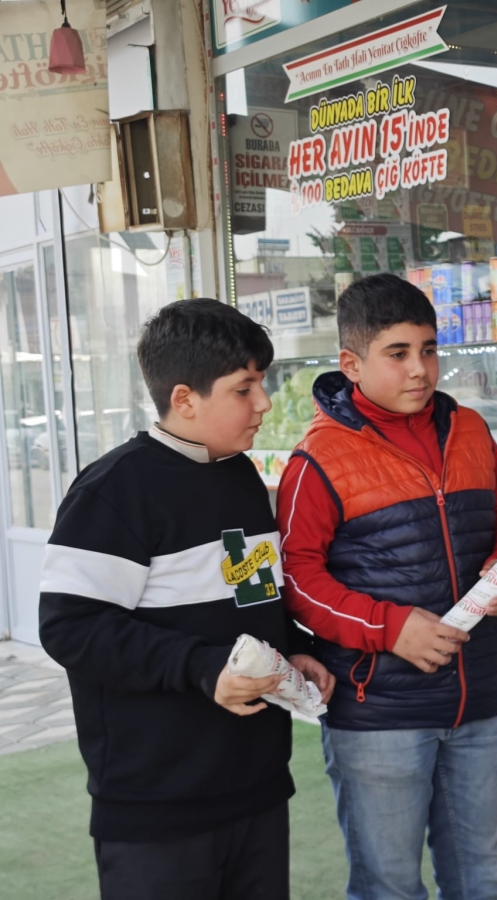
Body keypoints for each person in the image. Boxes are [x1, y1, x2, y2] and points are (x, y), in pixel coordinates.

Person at [38, 298, 334, 900]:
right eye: (244, 388)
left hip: (255, 785)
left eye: (263, 383)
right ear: (184, 398)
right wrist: (202, 670)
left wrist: (291, 650)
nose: (264, 403)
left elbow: (250, 593)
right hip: (156, 802)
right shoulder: (114, 489)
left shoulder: (241, 475)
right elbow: (71, 627)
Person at [277, 273, 497, 900]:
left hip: (480, 700)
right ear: (351, 363)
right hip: (378, 715)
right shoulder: (317, 458)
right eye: (397, 354)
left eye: (429, 349)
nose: (420, 369)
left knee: (487, 880)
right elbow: (297, 579)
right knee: (388, 887)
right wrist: (392, 629)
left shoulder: (469, 428)